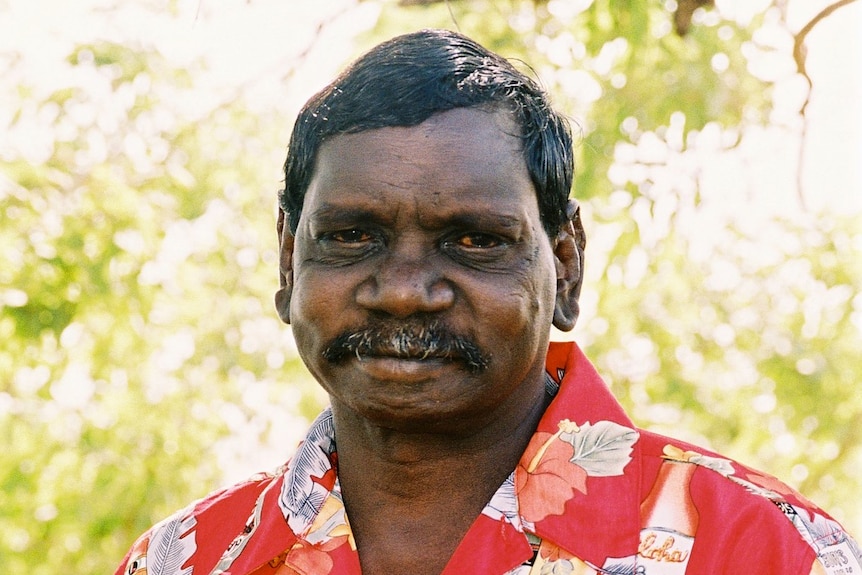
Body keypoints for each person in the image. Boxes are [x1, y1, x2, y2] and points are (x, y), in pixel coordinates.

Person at [115, 29, 860, 575]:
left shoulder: (764, 550)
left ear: (565, 265)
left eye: (472, 241)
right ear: (288, 260)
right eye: (352, 236)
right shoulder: (183, 559)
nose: (404, 290)